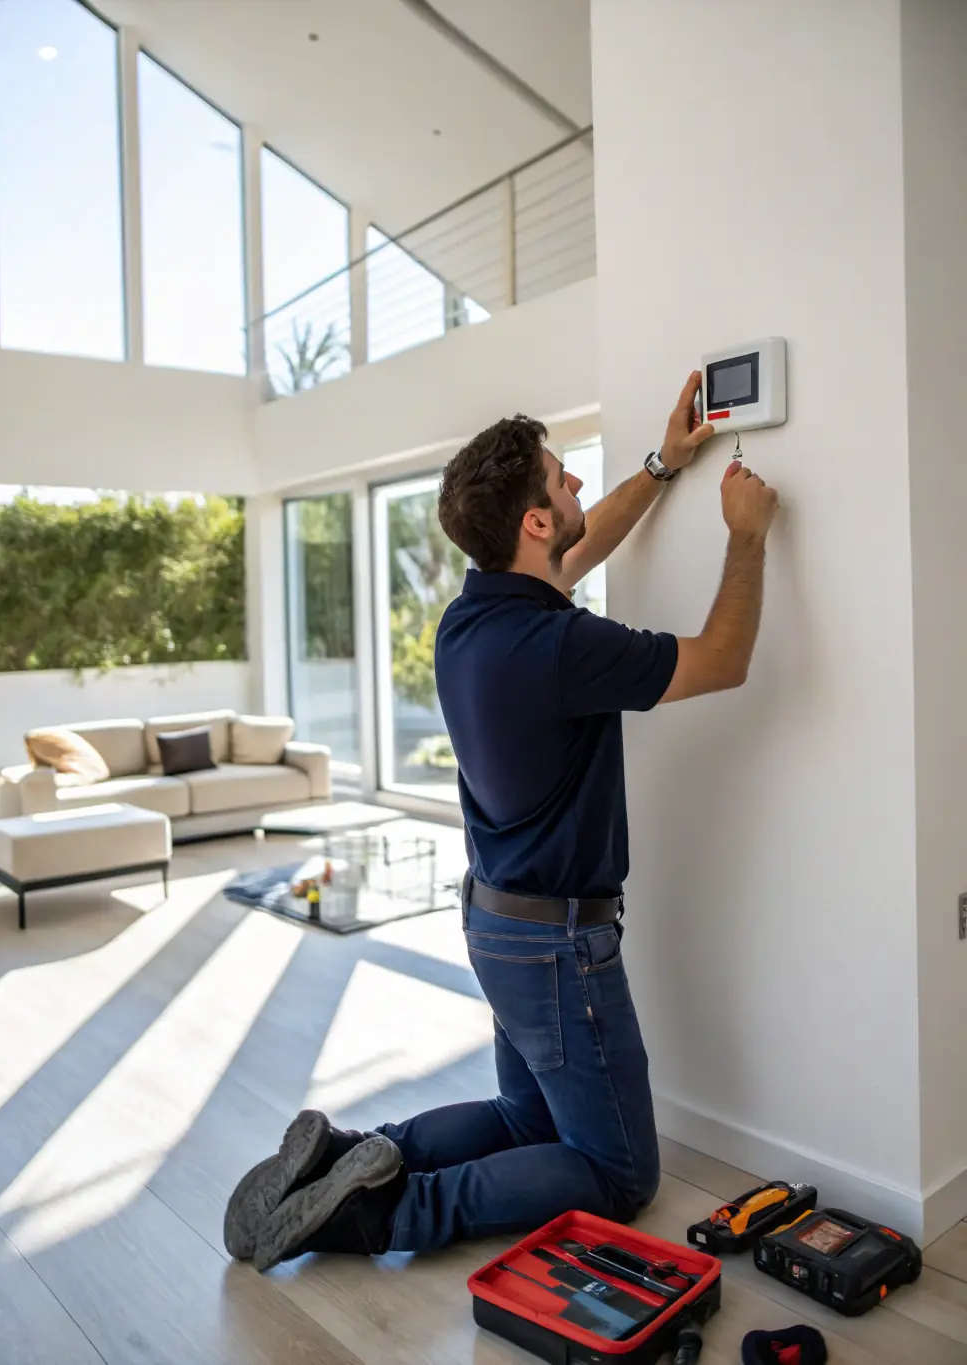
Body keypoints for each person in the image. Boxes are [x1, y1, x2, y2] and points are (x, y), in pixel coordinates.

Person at [224, 371, 779, 1271]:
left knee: (527, 1119)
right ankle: (384, 1213)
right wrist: (747, 536)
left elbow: (576, 549)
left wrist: (664, 464)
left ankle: (350, 1154)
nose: (576, 485)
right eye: (562, 479)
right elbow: (723, 659)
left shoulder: (470, 619)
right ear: (534, 521)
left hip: (495, 922)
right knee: (619, 1171)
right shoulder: (562, 646)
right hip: (556, 944)